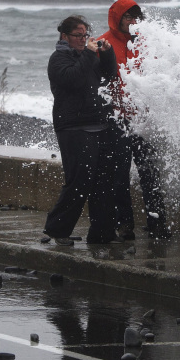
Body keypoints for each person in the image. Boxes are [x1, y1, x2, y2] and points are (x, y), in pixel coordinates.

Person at [43, 15, 123, 245]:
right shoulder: (58, 58)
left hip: (99, 123)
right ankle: (57, 230)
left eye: (85, 35)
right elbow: (73, 80)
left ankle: (102, 233)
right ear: (65, 36)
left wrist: (107, 53)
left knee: (104, 180)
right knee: (79, 180)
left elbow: (108, 76)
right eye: (78, 35)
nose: (82, 39)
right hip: (73, 127)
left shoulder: (88, 58)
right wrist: (89, 53)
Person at [100, 0, 171, 240]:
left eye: (135, 17)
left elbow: (158, 75)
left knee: (150, 172)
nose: (132, 21)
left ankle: (158, 223)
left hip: (142, 120)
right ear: (117, 18)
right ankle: (125, 224)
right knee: (119, 175)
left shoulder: (144, 43)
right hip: (117, 120)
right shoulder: (103, 44)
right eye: (127, 17)